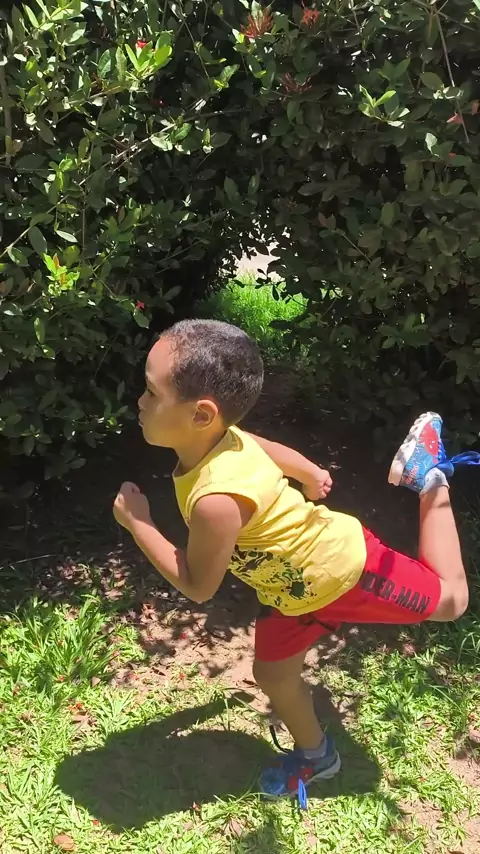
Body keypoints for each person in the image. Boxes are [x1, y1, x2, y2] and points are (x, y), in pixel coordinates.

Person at [113, 319, 479, 801]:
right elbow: (260, 447)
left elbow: (199, 585)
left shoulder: (216, 501)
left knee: (452, 601)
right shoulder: (221, 438)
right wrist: (309, 471)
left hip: (345, 571)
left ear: (202, 414)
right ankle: (317, 756)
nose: (140, 401)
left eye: (151, 391)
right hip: (291, 593)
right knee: (272, 675)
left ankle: (430, 476)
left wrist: (139, 523)